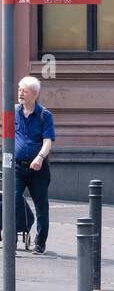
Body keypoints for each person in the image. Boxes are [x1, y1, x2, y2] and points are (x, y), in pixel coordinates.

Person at [15, 75, 55, 254]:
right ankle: (12, 236)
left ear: (34, 94)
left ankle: (40, 243)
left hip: (38, 169)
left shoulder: (44, 115)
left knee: (41, 205)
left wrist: (40, 157)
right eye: (19, 89)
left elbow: (48, 141)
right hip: (17, 167)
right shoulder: (13, 111)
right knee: (12, 200)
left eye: (24, 90)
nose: (20, 93)